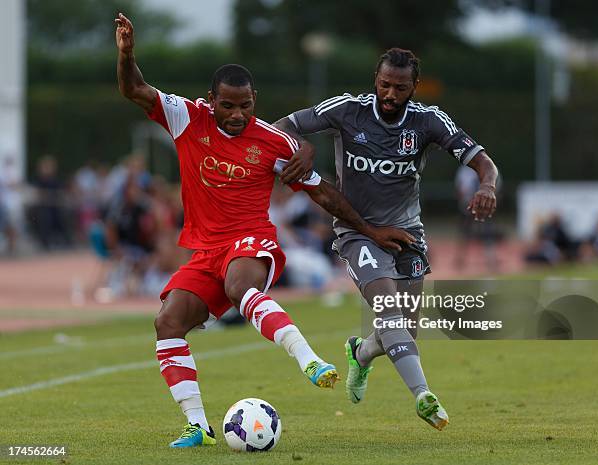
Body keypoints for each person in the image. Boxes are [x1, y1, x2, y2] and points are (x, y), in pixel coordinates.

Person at [115, 14, 412, 448]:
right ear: (210, 99)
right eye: (228, 105)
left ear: (255, 101)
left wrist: (369, 229)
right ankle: (198, 425)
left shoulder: (275, 143)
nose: (237, 115)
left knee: (240, 286)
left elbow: (323, 194)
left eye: (246, 106)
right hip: (204, 250)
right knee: (167, 322)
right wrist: (127, 55)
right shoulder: (185, 118)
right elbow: (133, 89)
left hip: (252, 240)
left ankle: (309, 359)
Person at [275, 47, 498, 430]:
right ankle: (424, 396)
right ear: (374, 81)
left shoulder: (428, 121)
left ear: (414, 87)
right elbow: (281, 125)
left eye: (400, 87)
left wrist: (488, 186)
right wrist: (305, 146)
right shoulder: (347, 109)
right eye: (384, 85)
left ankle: (360, 353)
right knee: (388, 311)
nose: (390, 94)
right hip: (356, 231)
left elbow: (481, 160)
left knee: (403, 331)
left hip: (407, 234)